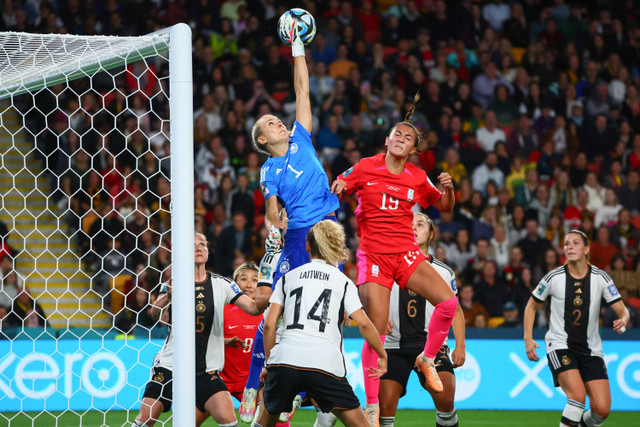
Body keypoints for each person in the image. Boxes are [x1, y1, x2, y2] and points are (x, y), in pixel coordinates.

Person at [331, 94, 458, 424]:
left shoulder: (417, 176)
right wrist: (340, 185)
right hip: (373, 257)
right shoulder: (364, 167)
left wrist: (450, 189)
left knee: (448, 304)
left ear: (414, 149)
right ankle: (371, 405)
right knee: (376, 330)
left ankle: (428, 359)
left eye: (408, 137)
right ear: (387, 141)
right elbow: (337, 192)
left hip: (406, 254)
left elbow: (443, 206)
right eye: (397, 134)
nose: (401, 139)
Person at [242, 20, 341, 423]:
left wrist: (298, 47)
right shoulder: (269, 169)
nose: (277, 121)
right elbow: (269, 208)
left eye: (276, 119)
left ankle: (311, 389)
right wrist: (273, 226)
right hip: (298, 234)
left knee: (327, 308)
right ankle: (255, 383)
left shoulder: (302, 136)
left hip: (328, 229)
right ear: (263, 140)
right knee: (272, 307)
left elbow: (302, 89)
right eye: (269, 123)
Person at [255, 220, 387, 427]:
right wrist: (382, 354)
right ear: (336, 246)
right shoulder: (343, 281)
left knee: (263, 423)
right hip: (325, 365)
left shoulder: (287, 278)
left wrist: (269, 364)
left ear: (307, 246)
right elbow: (363, 323)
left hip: (285, 361)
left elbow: (270, 325)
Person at [133, 233, 261, 427]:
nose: (199, 248)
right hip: (171, 365)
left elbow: (253, 308)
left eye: (202, 244)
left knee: (229, 420)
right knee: (145, 420)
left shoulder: (223, 284)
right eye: (193, 245)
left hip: (206, 370)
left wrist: (272, 294)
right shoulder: (173, 283)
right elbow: (154, 313)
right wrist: (168, 296)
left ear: (208, 251)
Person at [523, 230, 630, 427]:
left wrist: (623, 319)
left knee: (601, 410)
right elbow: (531, 305)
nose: (569, 247)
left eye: (575, 243)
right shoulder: (553, 277)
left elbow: (623, 311)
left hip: (591, 350)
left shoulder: (601, 278)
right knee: (577, 397)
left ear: (587, 249)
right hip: (560, 345)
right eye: (566, 244)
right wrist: (528, 338)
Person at [379, 213, 465, 427]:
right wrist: (379, 316)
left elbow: (456, 310)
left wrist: (461, 346)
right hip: (394, 345)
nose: (414, 228)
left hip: (431, 347)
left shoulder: (444, 271)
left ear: (432, 233)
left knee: (446, 399)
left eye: (420, 224)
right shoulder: (388, 264)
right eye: (409, 225)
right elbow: (374, 295)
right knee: (385, 405)